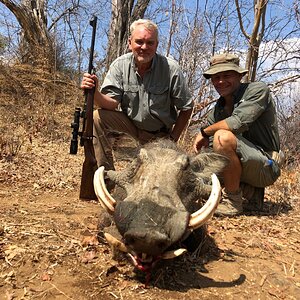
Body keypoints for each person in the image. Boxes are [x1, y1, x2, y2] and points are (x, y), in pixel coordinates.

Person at [81, 19, 193, 177]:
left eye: (150, 43)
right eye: (139, 42)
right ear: (129, 43)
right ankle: (107, 177)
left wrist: (173, 139)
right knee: (97, 117)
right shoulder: (119, 65)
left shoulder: (171, 68)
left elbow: (187, 107)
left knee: (158, 184)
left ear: (156, 44)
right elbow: (111, 104)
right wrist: (94, 91)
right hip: (130, 130)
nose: (144, 47)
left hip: (159, 137)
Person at [193, 53, 283, 216]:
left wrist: (203, 132)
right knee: (196, 172)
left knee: (222, 137)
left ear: (240, 75)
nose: (220, 81)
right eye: (216, 77)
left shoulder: (257, 90)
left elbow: (237, 122)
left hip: (266, 165)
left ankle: (233, 201)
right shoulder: (217, 110)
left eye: (226, 75)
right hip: (243, 164)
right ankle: (250, 193)